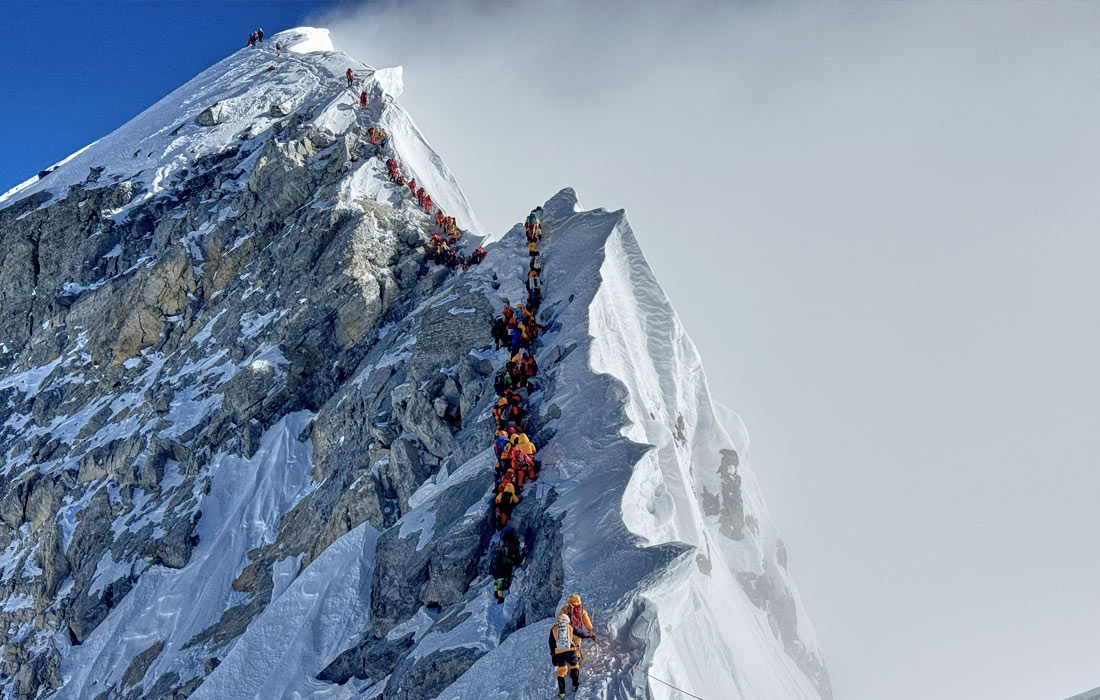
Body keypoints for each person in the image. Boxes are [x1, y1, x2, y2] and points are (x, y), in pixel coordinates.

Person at [548, 614, 581, 698]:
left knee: (561, 672)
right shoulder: (570, 626)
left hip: (559, 653)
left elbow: (551, 643)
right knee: (574, 667)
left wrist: (553, 654)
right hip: (571, 651)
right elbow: (580, 633)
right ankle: (575, 685)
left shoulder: (554, 629)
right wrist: (589, 635)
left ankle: (562, 693)